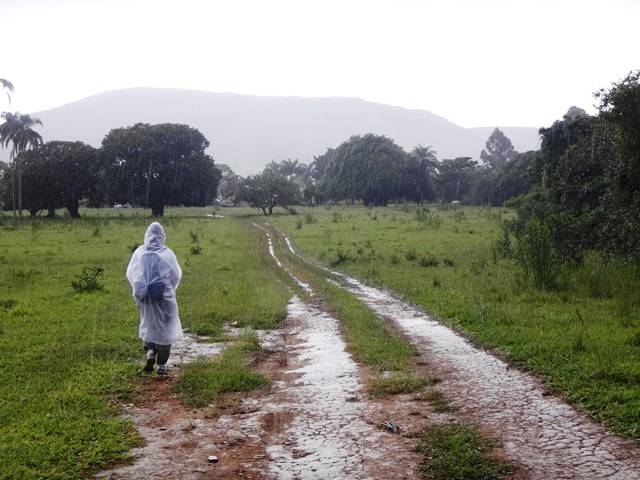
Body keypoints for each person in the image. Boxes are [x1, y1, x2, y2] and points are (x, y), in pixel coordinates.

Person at [126, 222, 183, 376]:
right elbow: (176, 275)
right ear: (162, 236)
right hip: (164, 297)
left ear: (147, 235)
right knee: (166, 328)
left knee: (149, 324)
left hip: (145, 297)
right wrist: (169, 288)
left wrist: (141, 291)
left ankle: (150, 352)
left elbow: (131, 273)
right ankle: (162, 366)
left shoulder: (140, 252)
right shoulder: (167, 253)